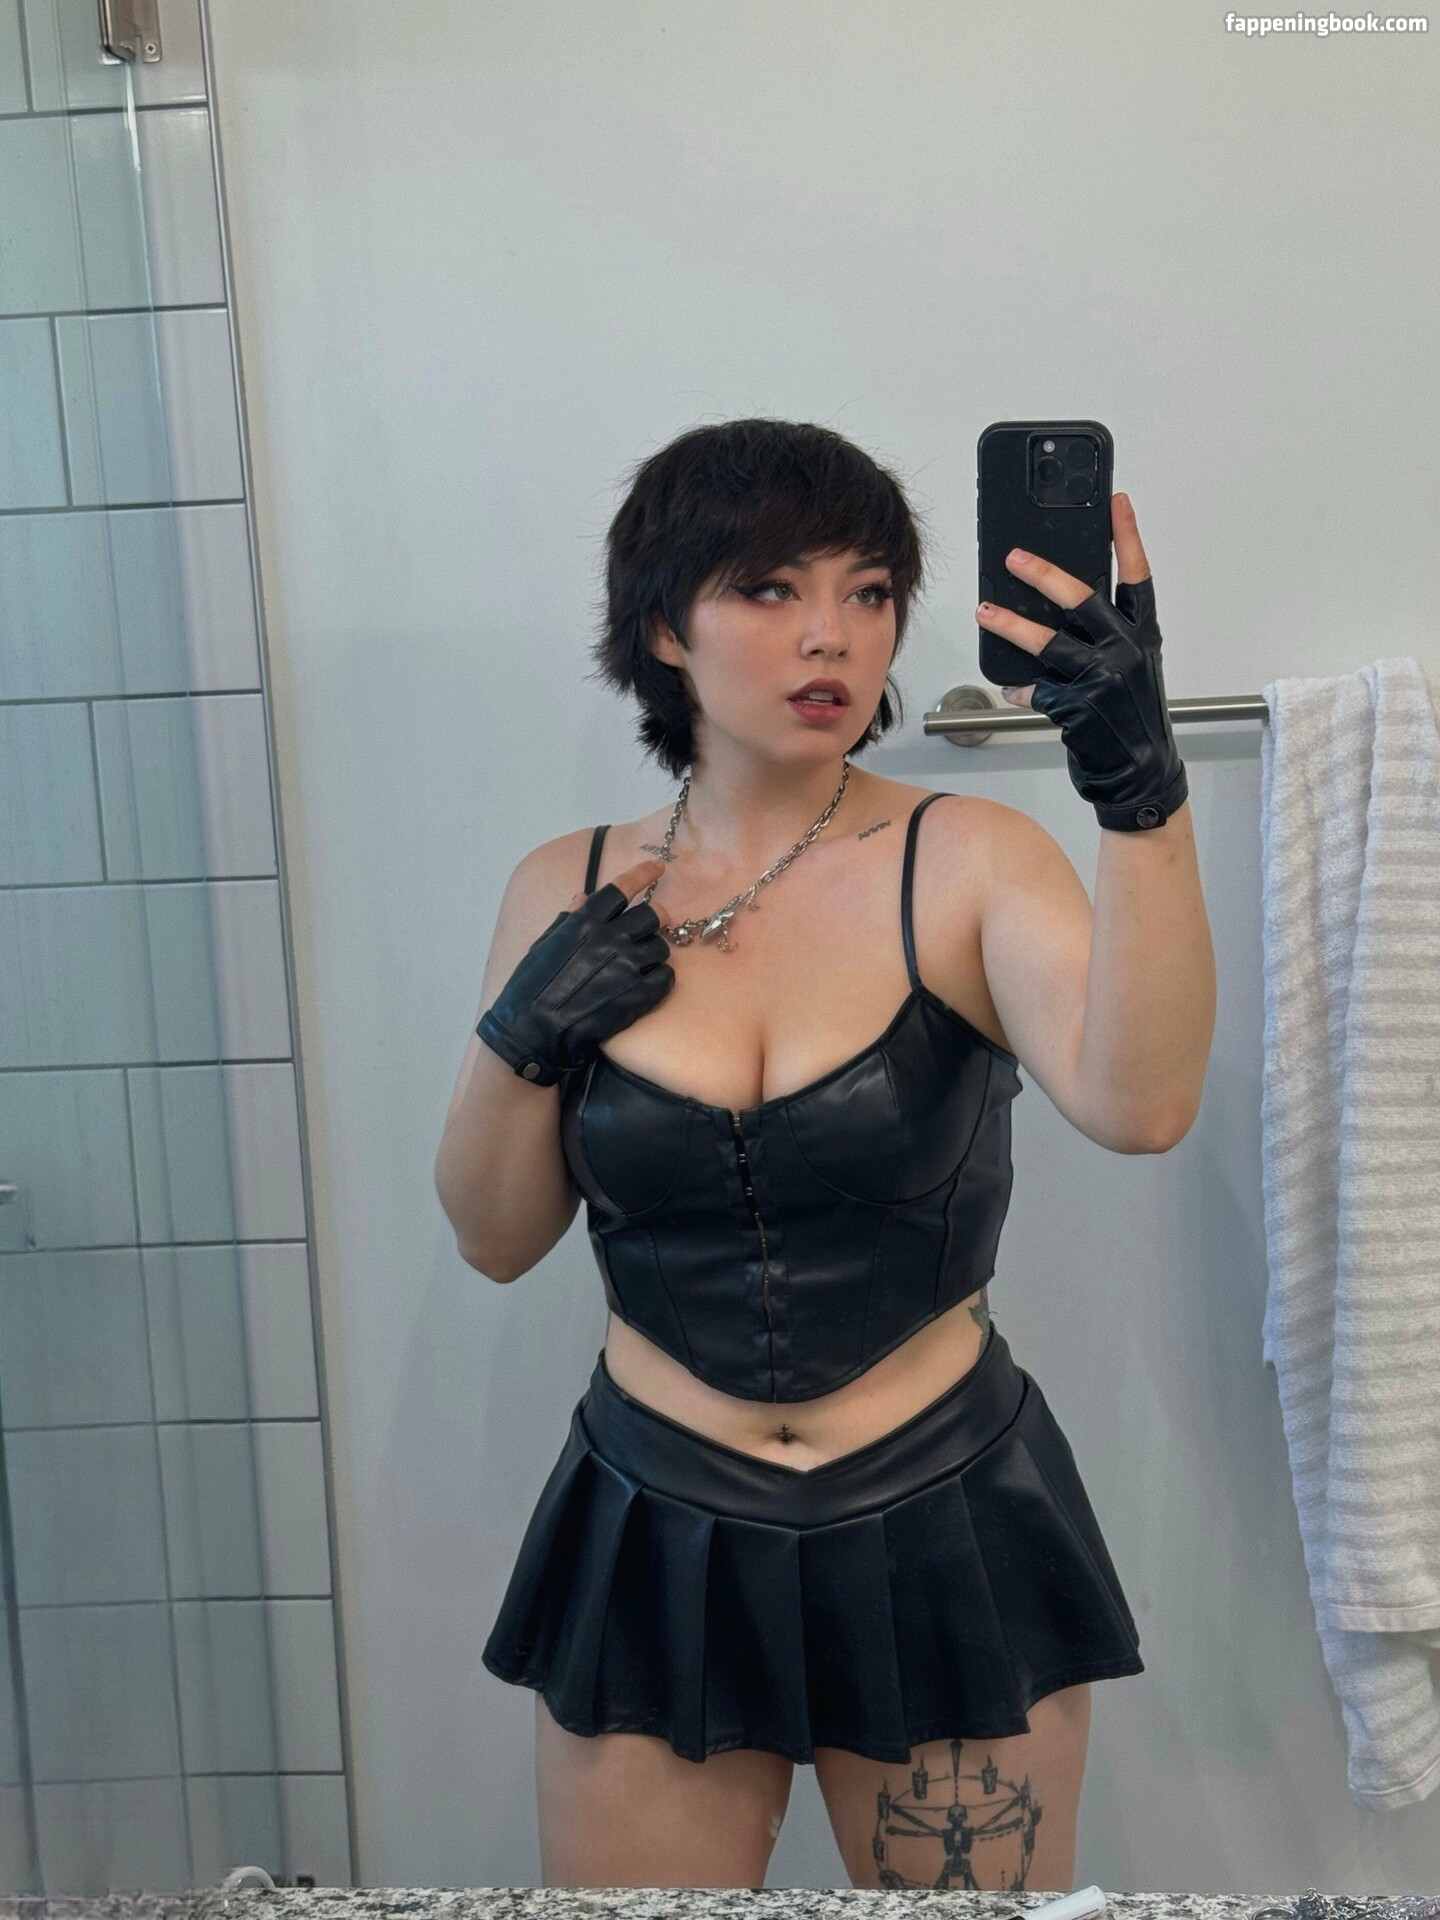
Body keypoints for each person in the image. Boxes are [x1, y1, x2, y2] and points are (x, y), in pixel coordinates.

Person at [435, 419, 1215, 1892]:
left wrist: (1143, 799)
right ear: (664, 627)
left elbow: (1143, 1103)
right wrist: (520, 1036)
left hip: (946, 1508)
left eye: (867, 592)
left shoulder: (970, 858)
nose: (831, 636)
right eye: (770, 589)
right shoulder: (568, 883)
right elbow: (493, 1236)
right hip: (654, 1518)